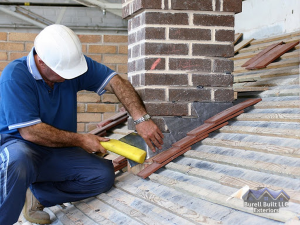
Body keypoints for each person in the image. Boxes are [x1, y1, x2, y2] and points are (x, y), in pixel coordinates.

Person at [0, 24, 164, 225]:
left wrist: (141, 118)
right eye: (63, 72)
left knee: (102, 176)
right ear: (41, 61)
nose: (70, 77)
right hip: (20, 146)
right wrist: (81, 140)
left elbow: (115, 81)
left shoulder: (71, 66)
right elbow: (31, 132)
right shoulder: (15, 76)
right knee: (17, 162)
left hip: (57, 148)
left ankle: (38, 194)